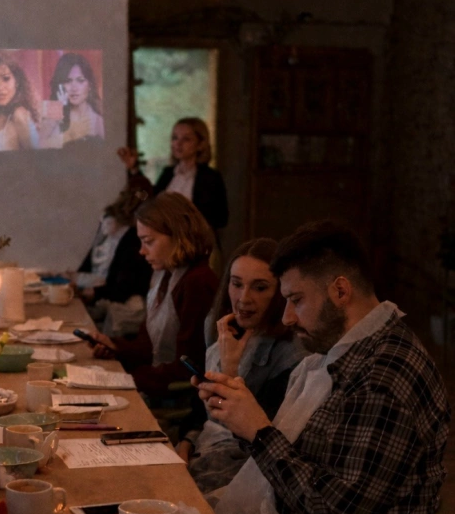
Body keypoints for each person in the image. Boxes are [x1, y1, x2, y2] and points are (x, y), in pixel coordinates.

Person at [197, 220, 451, 514]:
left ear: (340, 291)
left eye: (296, 300)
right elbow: (302, 461)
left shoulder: (383, 378)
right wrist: (243, 423)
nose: (286, 317)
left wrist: (259, 431)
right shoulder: (345, 353)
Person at [177, 238, 306, 492]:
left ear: (281, 293)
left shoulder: (292, 353)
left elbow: (257, 436)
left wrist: (230, 370)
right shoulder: (222, 326)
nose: (244, 299)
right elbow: (197, 411)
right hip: (202, 449)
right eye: (236, 284)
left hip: (248, 470)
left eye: (260, 288)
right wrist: (184, 446)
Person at [92, 192, 218, 399]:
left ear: (178, 236)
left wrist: (125, 379)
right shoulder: (166, 274)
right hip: (160, 384)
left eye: (148, 241)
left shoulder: (197, 282)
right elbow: (150, 346)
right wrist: (116, 347)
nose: (142, 251)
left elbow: (188, 366)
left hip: (179, 397)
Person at [118, 117, 228, 236]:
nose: (178, 144)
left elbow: (221, 218)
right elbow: (149, 198)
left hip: (194, 241)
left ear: (200, 144)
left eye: (186, 139)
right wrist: (134, 169)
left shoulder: (210, 178)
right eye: (175, 138)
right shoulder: (169, 173)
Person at [75, 186, 153, 337]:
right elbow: (88, 263)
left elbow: (126, 286)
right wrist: (76, 280)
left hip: (123, 301)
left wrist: (94, 292)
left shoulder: (132, 238)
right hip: (106, 292)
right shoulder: (109, 226)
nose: (105, 226)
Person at [47, 52, 104, 144]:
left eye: (80, 81)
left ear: (90, 85)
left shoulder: (98, 119)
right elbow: (42, 144)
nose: (74, 88)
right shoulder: (54, 112)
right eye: (68, 81)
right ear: (60, 85)